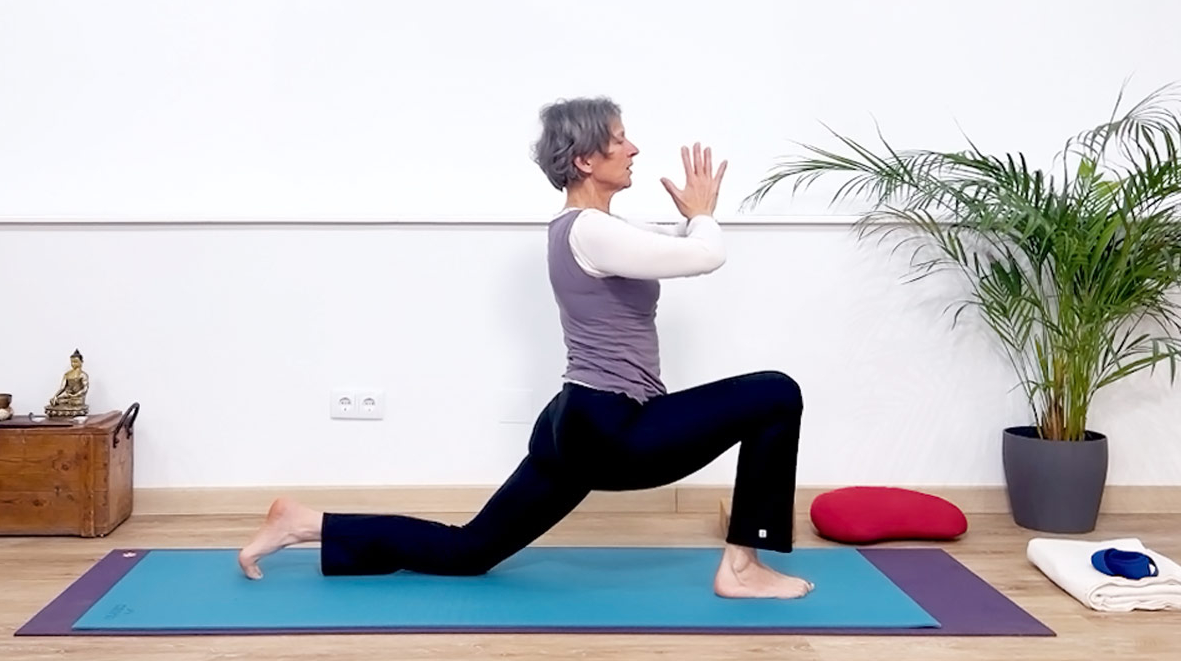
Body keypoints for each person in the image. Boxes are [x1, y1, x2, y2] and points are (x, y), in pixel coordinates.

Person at [238, 97, 813, 599]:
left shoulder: (583, 229)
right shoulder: (592, 230)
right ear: (586, 159)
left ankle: (307, 523)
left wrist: (694, 222)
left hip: (574, 422)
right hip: (611, 428)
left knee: (468, 552)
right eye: (618, 139)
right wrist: (705, 215)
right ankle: (742, 566)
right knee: (776, 394)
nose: (633, 148)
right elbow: (706, 255)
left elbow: (675, 249)